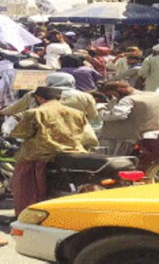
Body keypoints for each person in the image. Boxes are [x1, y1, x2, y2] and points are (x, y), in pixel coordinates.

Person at [8, 87, 99, 215]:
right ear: (60, 98)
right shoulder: (77, 112)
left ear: (39, 98)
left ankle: (26, 215)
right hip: (72, 151)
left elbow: (21, 133)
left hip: (40, 154)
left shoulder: (35, 113)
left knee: (23, 185)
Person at [98, 81, 159, 155]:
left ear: (121, 90)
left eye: (114, 94)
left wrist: (101, 112)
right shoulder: (155, 96)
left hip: (128, 138)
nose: (115, 97)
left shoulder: (128, 100)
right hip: (152, 133)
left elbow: (118, 115)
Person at [0, 72, 99, 125]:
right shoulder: (85, 96)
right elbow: (93, 116)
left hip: (42, 134)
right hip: (74, 134)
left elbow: (14, 109)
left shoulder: (35, 94)